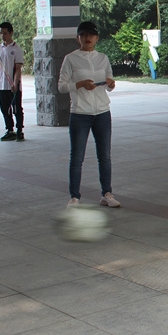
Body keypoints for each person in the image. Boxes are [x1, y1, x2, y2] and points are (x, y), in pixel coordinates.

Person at [58, 21, 120, 208]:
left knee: (105, 156)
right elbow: (61, 86)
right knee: (77, 157)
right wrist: (80, 84)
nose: (88, 38)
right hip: (80, 113)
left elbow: (109, 84)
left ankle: (107, 194)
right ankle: (74, 197)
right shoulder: (70, 59)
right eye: (83, 34)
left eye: (91, 35)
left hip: (102, 112)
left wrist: (110, 84)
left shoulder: (102, 58)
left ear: (97, 38)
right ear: (78, 38)